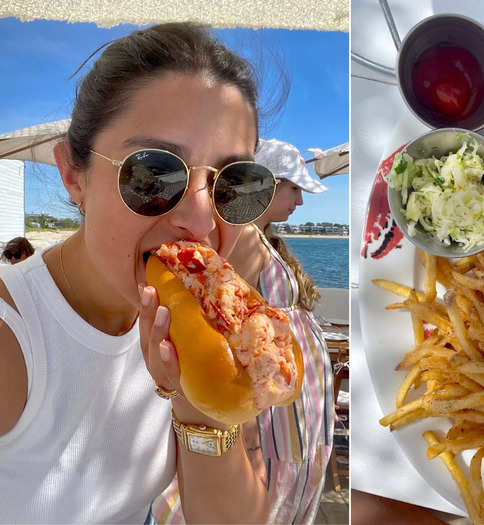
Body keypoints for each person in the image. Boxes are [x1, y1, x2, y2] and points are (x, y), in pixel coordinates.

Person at [0, 23, 319, 524]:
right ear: (72, 174)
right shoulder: (11, 340)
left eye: (234, 183)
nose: (199, 219)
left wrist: (193, 400)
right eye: (154, 173)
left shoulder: (213, 334)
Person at [224, 138, 335, 523]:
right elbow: (234, 330)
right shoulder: (243, 238)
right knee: (275, 496)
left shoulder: (258, 238)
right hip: (277, 409)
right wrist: (251, 435)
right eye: (294, 189)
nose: (300, 202)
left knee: (290, 483)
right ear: (266, 184)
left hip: (293, 405)